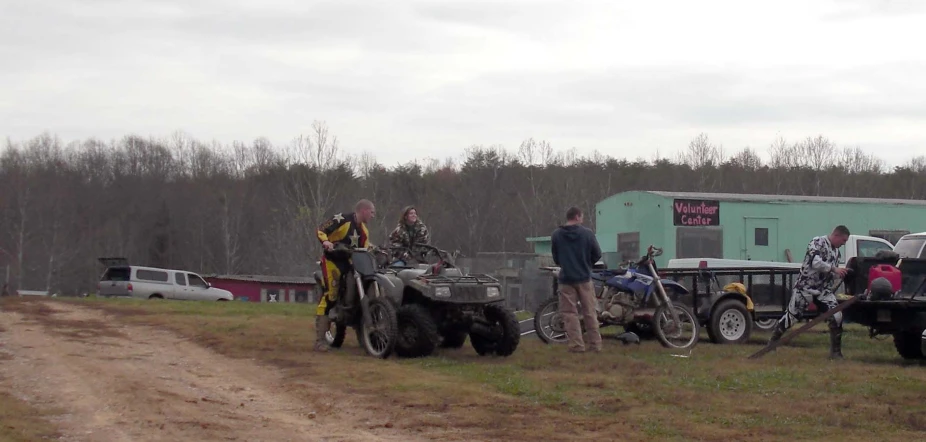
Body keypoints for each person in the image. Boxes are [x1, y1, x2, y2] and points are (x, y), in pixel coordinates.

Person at [768, 225, 851, 359]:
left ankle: (836, 352)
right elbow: (816, 263)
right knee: (792, 317)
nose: (843, 244)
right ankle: (772, 342)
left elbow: (831, 272)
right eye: (843, 240)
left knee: (837, 316)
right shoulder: (817, 242)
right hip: (805, 287)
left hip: (823, 290)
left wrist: (841, 274)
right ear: (836, 235)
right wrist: (834, 269)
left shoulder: (836, 252)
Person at [314, 199, 376, 352]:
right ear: (364, 211)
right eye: (372, 212)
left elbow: (366, 248)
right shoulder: (342, 219)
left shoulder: (364, 231)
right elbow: (320, 230)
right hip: (332, 261)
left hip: (350, 264)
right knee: (331, 295)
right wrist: (326, 242)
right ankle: (320, 340)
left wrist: (377, 250)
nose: (373, 216)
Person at [551, 206, 603, 353]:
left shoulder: (556, 235)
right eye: (582, 217)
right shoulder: (587, 234)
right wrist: (587, 264)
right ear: (577, 217)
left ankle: (576, 345)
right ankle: (595, 345)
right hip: (585, 278)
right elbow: (597, 254)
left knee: (569, 314)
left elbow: (555, 258)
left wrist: (565, 264)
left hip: (566, 279)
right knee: (590, 312)